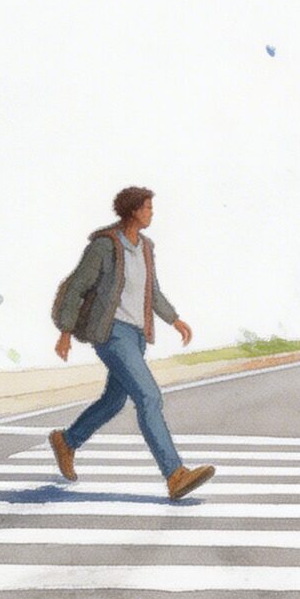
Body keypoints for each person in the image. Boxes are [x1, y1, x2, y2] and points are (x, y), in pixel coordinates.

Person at [48, 186, 216, 500]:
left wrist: (174, 319)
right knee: (149, 397)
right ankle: (175, 474)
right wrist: (65, 331)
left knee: (114, 400)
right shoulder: (105, 246)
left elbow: (152, 291)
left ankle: (67, 441)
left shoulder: (146, 247)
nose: (151, 213)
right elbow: (76, 286)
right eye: (147, 208)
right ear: (133, 210)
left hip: (137, 335)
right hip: (111, 332)